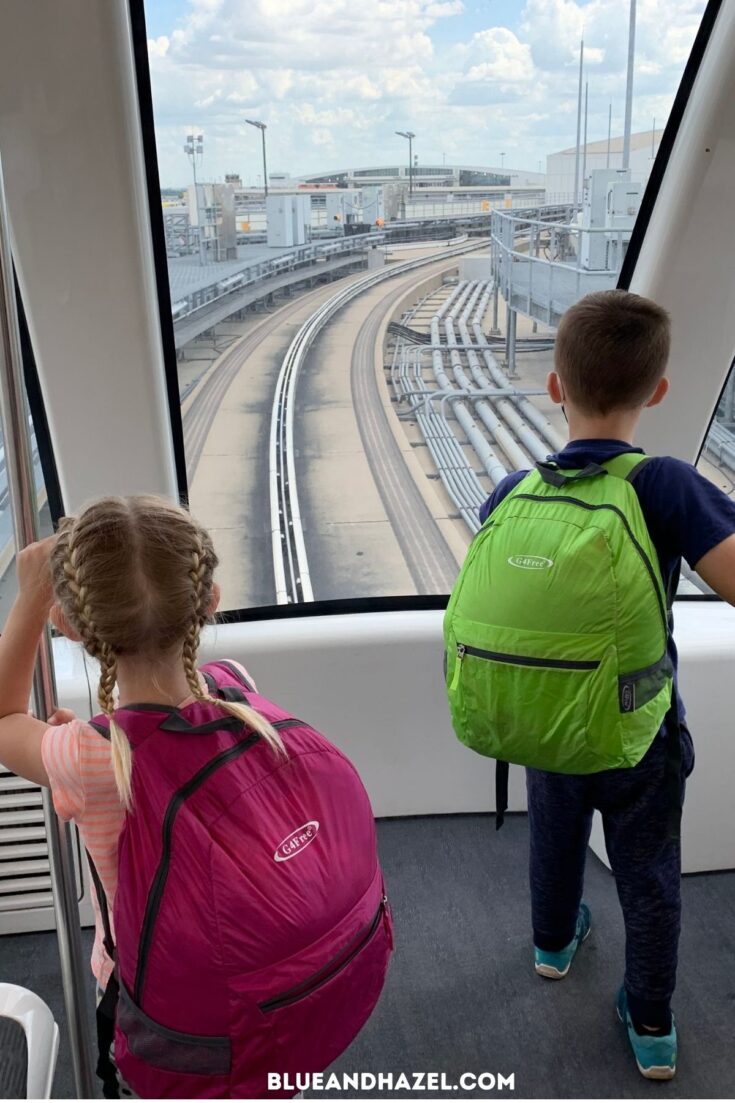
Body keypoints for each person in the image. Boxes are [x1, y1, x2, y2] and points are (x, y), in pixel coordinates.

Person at [0, 496, 391, 1098]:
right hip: (279, 1002)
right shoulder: (235, 684)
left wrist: (27, 597)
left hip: (169, 1012)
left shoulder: (86, 757)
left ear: (70, 627)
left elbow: (3, 720)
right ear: (208, 600)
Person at [478, 290, 735, 1080]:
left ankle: (553, 946)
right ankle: (651, 1024)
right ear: (655, 392)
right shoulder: (663, 485)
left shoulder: (512, 489)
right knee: (648, 873)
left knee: (554, 841)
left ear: (555, 386)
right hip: (638, 729)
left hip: (546, 723)